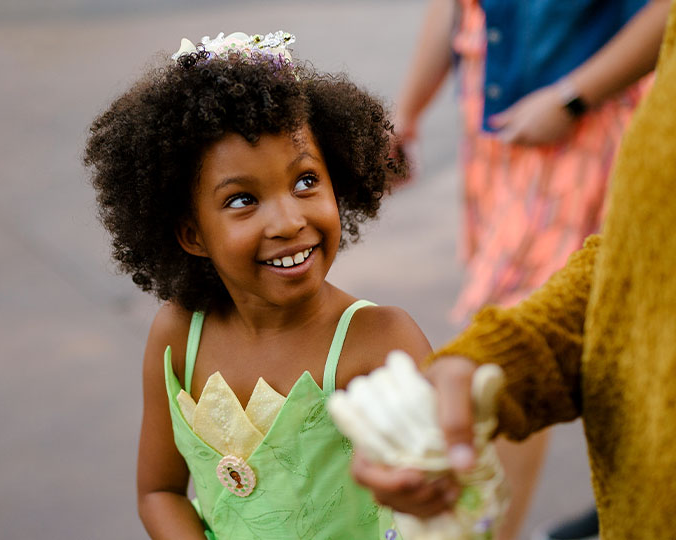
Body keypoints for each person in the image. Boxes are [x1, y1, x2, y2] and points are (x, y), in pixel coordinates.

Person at [83, 31, 433, 539]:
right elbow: (158, 493)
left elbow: (453, 499)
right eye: (242, 199)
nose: (289, 220)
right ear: (191, 233)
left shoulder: (379, 341)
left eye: (306, 181)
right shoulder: (180, 334)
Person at [351, 2, 676, 538]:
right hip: (498, 120)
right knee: (511, 324)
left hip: (572, 120)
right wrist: (407, 111)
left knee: (509, 318)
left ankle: (489, 526)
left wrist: (574, 97)